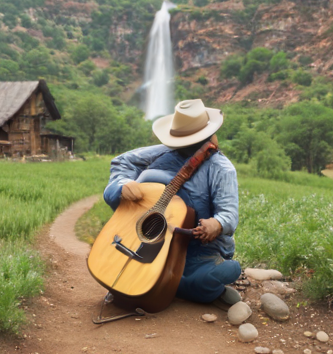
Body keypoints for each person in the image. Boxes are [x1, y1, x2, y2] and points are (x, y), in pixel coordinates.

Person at [103, 99, 241, 306]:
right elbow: (122, 161)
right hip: (151, 238)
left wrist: (217, 224)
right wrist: (122, 185)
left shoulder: (222, 168)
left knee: (226, 270)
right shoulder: (161, 152)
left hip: (194, 249)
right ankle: (169, 281)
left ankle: (164, 280)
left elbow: (229, 214)